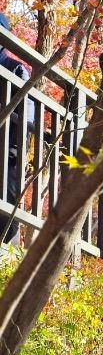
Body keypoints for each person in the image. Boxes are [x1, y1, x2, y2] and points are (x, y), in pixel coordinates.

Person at [0, 13, 34, 244]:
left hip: (6, 150)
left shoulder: (15, 68)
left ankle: (6, 255)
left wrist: (15, 149)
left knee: (7, 198)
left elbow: (27, 116)